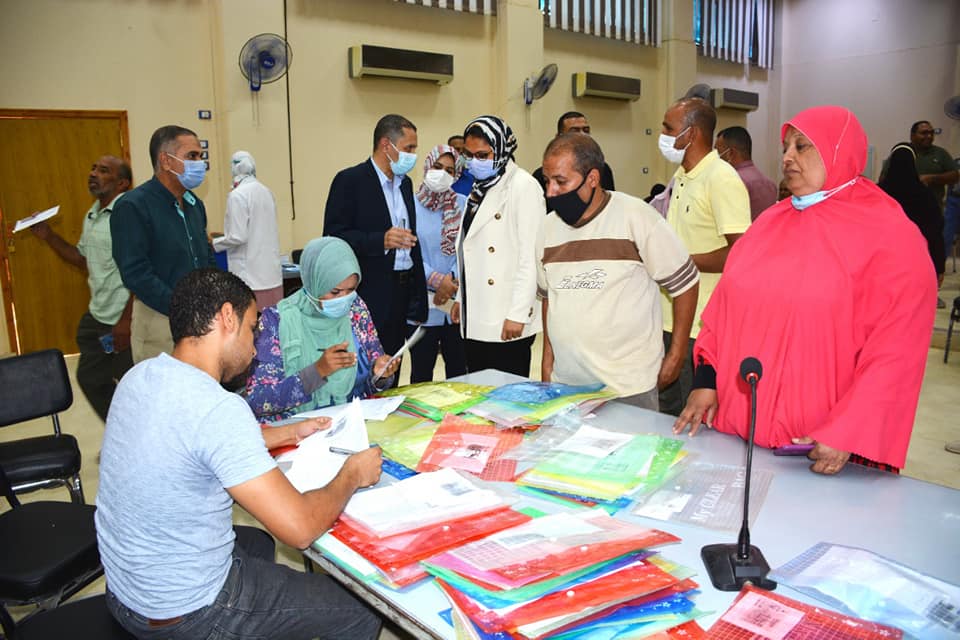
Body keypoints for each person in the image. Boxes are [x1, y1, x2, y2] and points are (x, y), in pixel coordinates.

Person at [96, 268, 382, 639]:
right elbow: (300, 529)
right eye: (252, 328)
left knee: (256, 543)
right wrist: (352, 474)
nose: (255, 347)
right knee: (360, 608)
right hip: (187, 612)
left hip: (126, 593)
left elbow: (194, 440)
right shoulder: (218, 408)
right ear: (227, 318)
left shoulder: (141, 376)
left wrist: (287, 432)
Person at [673, 106, 937, 476]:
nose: (787, 157)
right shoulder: (769, 225)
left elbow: (897, 349)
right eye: (785, 147)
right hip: (741, 434)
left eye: (802, 146)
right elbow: (723, 311)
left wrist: (849, 428)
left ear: (838, 149)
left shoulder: (890, 236)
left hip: (822, 446)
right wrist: (707, 382)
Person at [538, 134, 699, 409]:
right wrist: (547, 362)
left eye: (561, 181)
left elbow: (686, 285)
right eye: (547, 181)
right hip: (567, 385)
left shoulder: (636, 217)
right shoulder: (547, 228)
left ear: (592, 178)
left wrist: (676, 355)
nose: (550, 192)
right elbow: (549, 298)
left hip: (628, 387)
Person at [657, 98, 751, 416]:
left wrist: (683, 263)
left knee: (690, 418)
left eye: (668, 128)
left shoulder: (721, 178)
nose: (662, 135)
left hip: (701, 326)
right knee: (665, 413)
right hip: (669, 317)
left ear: (691, 133)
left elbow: (742, 252)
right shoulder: (682, 176)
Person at [244, 237, 400, 421]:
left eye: (351, 290)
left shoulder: (356, 309)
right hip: (297, 429)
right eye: (335, 292)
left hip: (354, 421)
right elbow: (258, 400)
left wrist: (379, 375)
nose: (344, 299)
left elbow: (369, 384)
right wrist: (317, 372)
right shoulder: (277, 321)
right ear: (314, 283)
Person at [30, 155, 134, 421]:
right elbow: (82, 260)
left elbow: (140, 269)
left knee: (134, 386)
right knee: (91, 378)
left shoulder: (128, 214)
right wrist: (49, 236)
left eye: (103, 170)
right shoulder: (94, 214)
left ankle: (141, 437)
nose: (93, 173)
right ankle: (122, 432)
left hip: (124, 318)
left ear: (122, 183)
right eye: (93, 168)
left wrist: (126, 320)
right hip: (99, 314)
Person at [323, 114, 428, 362]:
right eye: (408, 148)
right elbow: (334, 236)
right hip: (369, 292)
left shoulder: (405, 184)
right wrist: (380, 240)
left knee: (392, 363)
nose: (412, 155)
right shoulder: (350, 181)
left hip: (403, 291)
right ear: (386, 145)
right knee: (367, 364)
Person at [111, 124, 218, 362]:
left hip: (198, 318)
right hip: (159, 319)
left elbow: (206, 256)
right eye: (192, 156)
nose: (200, 163)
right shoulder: (133, 206)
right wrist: (181, 308)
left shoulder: (194, 204)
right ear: (166, 161)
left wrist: (211, 299)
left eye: (200, 156)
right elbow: (136, 274)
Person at [450, 115, 545, 377]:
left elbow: (530, 256)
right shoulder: (479, 188)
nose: (474, 162)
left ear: (502, 150)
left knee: (507, 393)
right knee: (480, 387)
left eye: (482, 155)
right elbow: (468, 249)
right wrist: (461, 298)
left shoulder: (523, 186)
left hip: (506, 315)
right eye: (469, 155)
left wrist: (518, 314)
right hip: (477, 310)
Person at [407, 144, 467, 382]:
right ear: (427, 166)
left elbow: (467, 248)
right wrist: (437, 280)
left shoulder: (463, 204)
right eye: (438, 166)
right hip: (421, 306)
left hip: (455, 306)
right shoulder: (409, 205)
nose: (442, 173)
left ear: (457, 175)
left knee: (459, 374)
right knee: (421, 375)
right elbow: (407, 252)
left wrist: (450, 280)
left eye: (450, 170)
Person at [210, 150, 283, 310]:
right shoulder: (267, 192)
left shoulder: (238, 195)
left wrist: (214, 243)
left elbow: (237, 236)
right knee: (271, 322)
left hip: (249, 280)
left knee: (251, 322)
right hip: (272, 276)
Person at [878, 143, 946, 294]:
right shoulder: (925, 196)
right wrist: (939, 266)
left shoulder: (877, 193)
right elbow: (935, 234)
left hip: (882, 262)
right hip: (916, 261)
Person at [532, 111, 615, 192]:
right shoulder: (542, 175)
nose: (583, 135)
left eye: (586, 130)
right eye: (575, 131)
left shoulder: (602, 169)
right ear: (559, 138)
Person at [714, 126, 778, 220]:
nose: (716, 157)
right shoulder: (770, 185)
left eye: (718, 152)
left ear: (730, 153)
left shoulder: (732, 181)